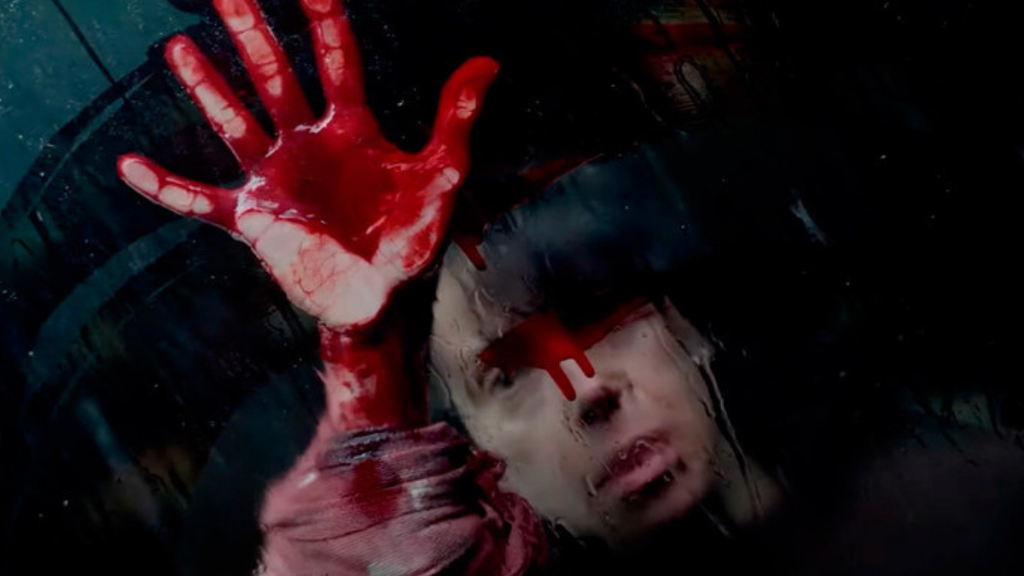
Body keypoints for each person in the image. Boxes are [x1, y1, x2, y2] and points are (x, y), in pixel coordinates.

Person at [118, 1, 1024, 575]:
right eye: (504, 376)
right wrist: (368, 367)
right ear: (470, 455)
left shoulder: (968, 510)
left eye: (598, 312)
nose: (586, 390)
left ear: (683, 324)